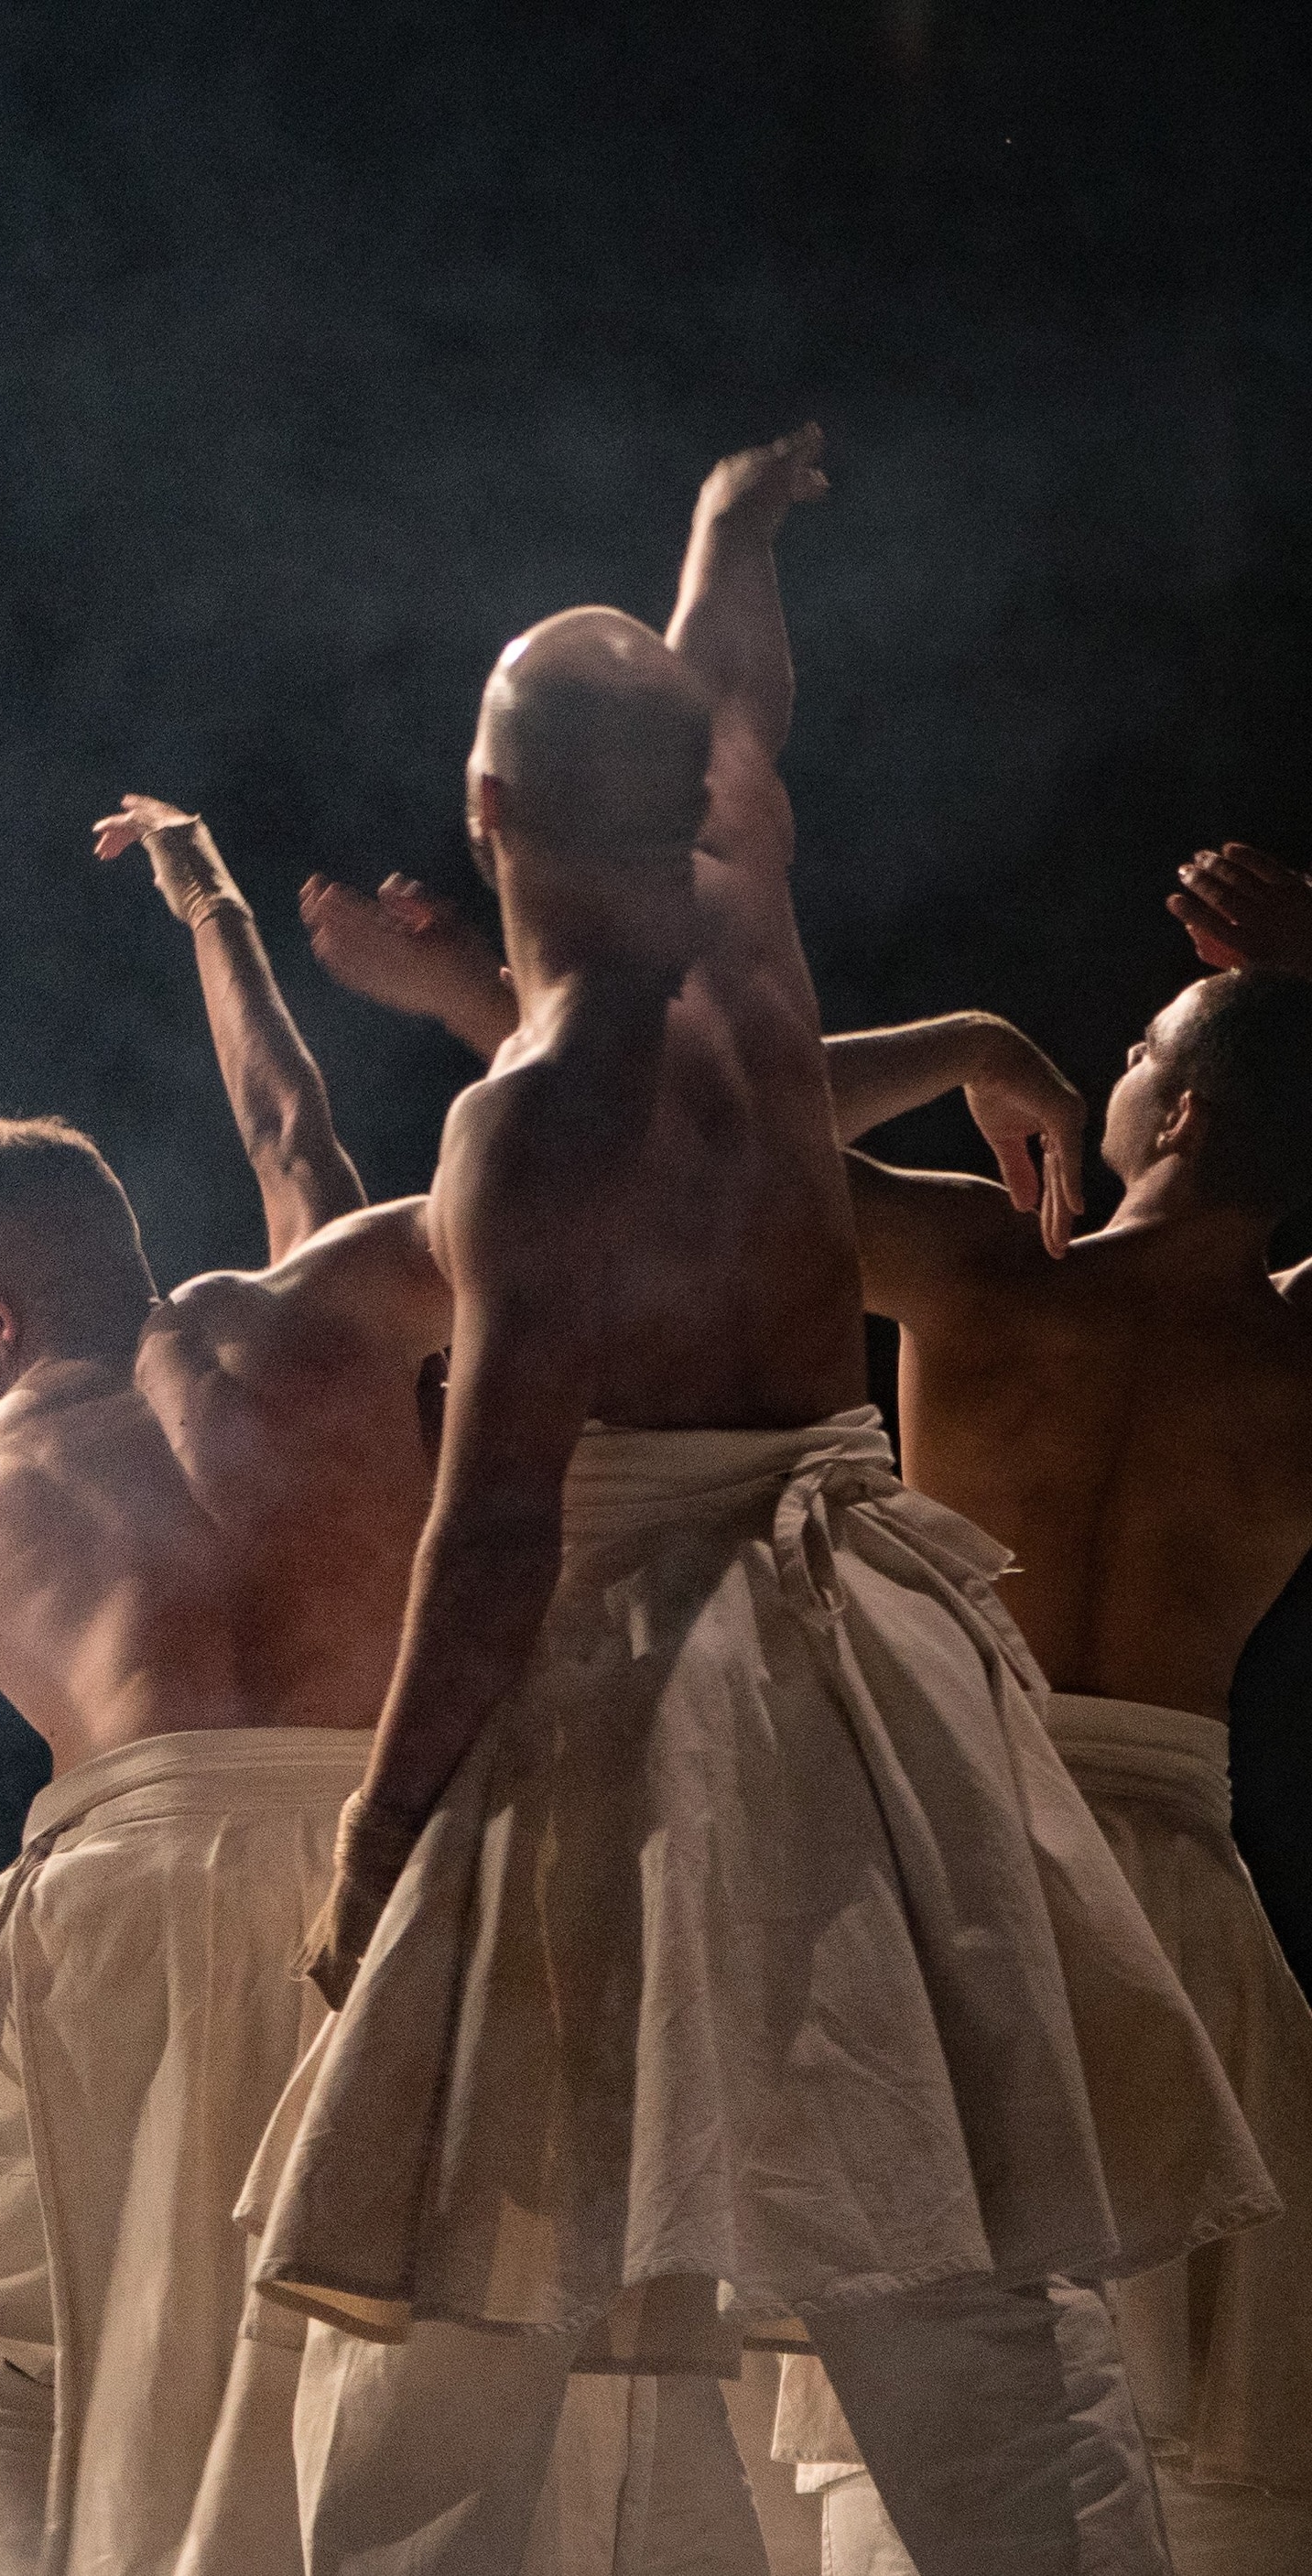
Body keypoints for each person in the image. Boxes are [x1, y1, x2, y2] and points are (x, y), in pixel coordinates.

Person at [246, 427, 1272, 2576]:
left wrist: (379, 1822)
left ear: (487, 808)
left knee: (471, 2243)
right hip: (857, 1663)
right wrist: (730, 535)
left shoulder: (524, 1118)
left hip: (644, 1654)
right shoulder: (754, 937)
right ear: (701, 792)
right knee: (951, 2263)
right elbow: (738, 697)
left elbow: (503, 1503)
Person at [0, 785, 461, 2576]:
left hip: (122, 1908)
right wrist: (215, 911)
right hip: (404, 1876)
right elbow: (298, 1132)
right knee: (403, 2347)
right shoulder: (317, 1315)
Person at [683, 973, 1312, 2571]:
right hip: (1179, 1899)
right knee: (1189, 2456)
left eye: (1138, 1042)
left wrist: (968, 1044)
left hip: (977, 1875)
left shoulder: (980, 1261)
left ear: (1177, 1114)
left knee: (943, 2436)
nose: (1108, 1059)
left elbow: (707, 1120)